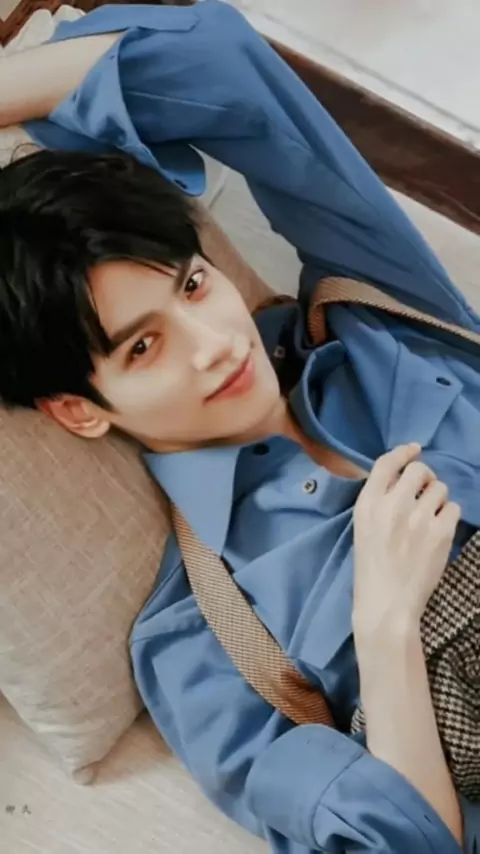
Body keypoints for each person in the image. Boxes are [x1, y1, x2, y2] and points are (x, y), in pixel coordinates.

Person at [1, 1, 479, 851]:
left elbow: (220, 61)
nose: (216, 343)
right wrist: (385, 628)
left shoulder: (377, 317)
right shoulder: (200, 642)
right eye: (143, 346)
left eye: (192, 286)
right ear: (79, 409)